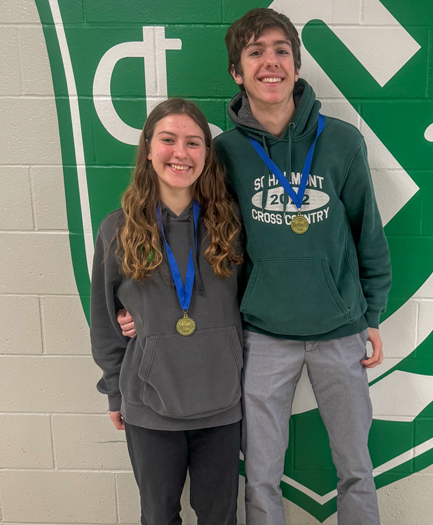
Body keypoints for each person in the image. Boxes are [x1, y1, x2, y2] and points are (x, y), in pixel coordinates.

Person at [119, 9, 393, 524]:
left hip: (340, 330)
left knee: (356, 467)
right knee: (261, 474)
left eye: (281, 50)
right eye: (255, 52)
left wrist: (372, 314)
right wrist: (137, 305)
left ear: (296, 64)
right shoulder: (221, 152)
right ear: (237, 72)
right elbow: (192, 236)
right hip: (263, 336)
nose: (271, 61)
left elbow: (368, 234)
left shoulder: (342, 141)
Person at [91, 98, 245, 523]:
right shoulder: (117, 229)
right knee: (158, 516)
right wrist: (114, 389)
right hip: (148, 405)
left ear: (207, 154)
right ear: (148, 146)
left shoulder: (231, 224)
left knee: (220, 516)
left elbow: (252, 304)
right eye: (168, 139)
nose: (181, 152)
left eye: (194, 142)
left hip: (222, 404)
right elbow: (106, 320)